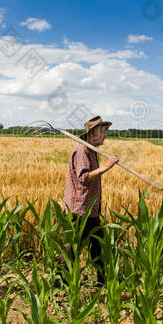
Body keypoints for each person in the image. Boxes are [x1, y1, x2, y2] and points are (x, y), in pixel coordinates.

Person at [59, 115, 119, 286]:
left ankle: (102, 279)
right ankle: (61, 282)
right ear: (93, 133)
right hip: (80, 208)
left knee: (98, 244)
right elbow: (83, 177)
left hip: (90, 207)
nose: (106, 136)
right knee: (71, 246)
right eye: (104, 132)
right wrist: (106, 167)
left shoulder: (91, 149)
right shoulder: (82, 150)